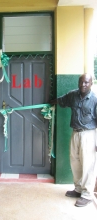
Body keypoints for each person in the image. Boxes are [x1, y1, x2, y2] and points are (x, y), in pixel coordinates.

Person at [50, 73, 97, 207]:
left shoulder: (94, 99)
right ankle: (78, 189)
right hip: (75, 133)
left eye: (86, 82)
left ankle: (87, 195)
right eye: (81, 82)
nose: (83, 85)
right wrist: (50, 102)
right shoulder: (73, 95)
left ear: (91, 84)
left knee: (88, 165)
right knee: (75, 161)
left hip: (89, 134)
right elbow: (62, 100)